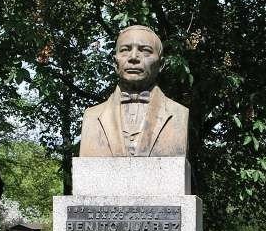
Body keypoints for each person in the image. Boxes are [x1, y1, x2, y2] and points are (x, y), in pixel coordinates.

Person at [79, 25, 189, 158]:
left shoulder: (178, 114)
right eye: (125, 50)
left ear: (161, 64)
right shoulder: (91, 116)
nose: (133, 57)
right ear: (115, 63)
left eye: (145, 51)